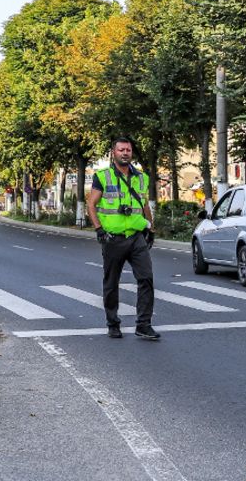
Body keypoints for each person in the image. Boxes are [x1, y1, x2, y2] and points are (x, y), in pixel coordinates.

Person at [86, 137, 161, 341]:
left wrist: (151, 229)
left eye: (128, 149)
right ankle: (113, 323)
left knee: (146, 278)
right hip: (113, 238)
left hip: (136, 237)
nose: (125, 153)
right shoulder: (103, 176)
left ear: (132, 153)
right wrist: (99, 229)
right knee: (111, 282)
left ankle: (144, 325)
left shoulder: (141, 178)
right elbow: (91, 204)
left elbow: (144, 205)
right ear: (114, 153)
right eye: (121, 150)